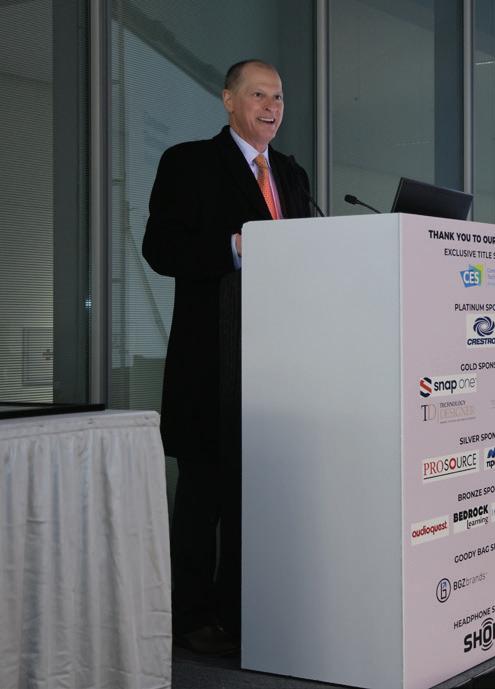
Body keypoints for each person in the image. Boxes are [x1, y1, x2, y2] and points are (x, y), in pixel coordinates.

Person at [143, 59, 312, 655]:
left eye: (279, 97)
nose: (271, 107)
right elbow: (161, 248)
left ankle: (243, 613)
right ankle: (188, 617)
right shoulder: (188, 162)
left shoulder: (290, 173)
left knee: (259, 499)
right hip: (211, 362)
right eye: (259, 95)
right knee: (203, 496)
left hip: (280, 365)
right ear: (228, 100)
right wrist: (235, 247)